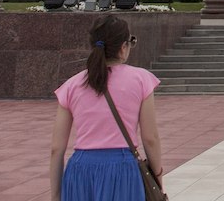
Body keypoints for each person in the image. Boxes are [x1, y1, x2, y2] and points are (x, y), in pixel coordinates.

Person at [50, 14, 164, 201]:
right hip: (123, 170)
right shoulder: (141, 79)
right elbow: (150, 138)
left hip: (80, 171)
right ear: (123, 47)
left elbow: (57, 148)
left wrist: (56, 195)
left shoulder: (72, 85)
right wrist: (157, 177)